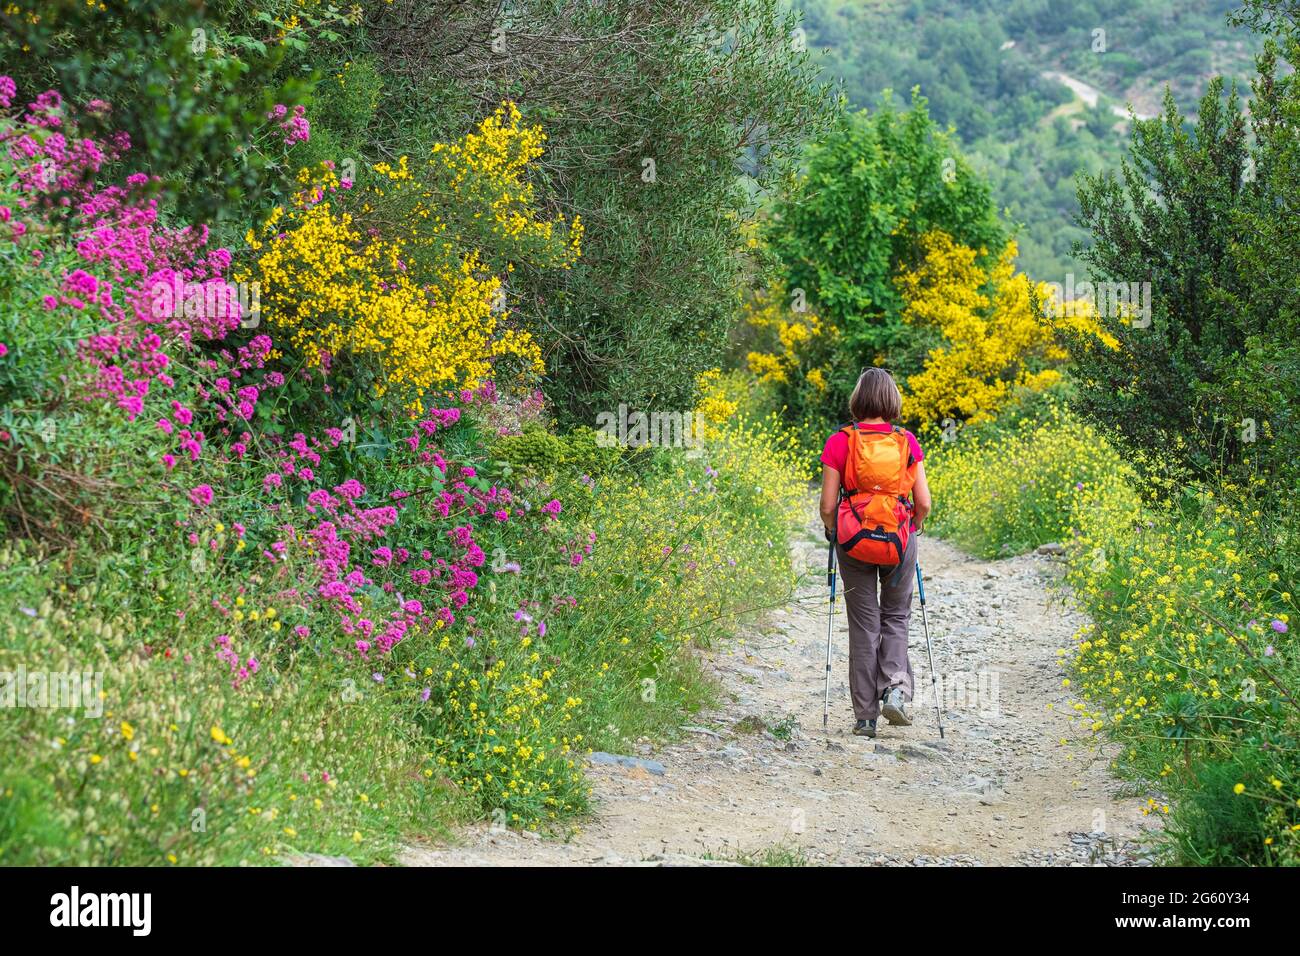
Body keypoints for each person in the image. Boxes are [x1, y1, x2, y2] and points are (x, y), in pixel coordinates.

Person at [818, 367, 931, 738]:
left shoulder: (840, 441)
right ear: (892, 401)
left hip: (854, 540)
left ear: (858, 398)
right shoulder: (906, 440)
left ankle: (865, 718)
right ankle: (896, 690)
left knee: (864, 624)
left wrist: (834, 532)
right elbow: (924, 503)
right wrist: (913, 528)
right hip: (899, 539)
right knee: (896, 616)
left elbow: (827, 505)